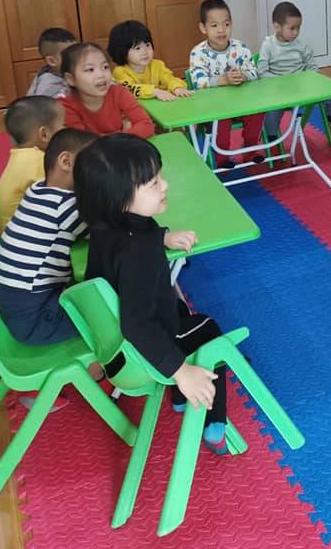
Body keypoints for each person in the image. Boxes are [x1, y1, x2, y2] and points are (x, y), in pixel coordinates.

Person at [77, 134, 228, 453]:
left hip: (112, 342)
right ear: (119, 199)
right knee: (211, 332)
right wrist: (180, 371)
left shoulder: (105, 225)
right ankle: (214, 424)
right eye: (154, 183)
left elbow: (132, 235)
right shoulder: (139, 253)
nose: (165, 185)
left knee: (182, 311)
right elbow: (138, 325)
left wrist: (163, 236)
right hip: (140, 350)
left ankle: (179, 400)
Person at [0, 128, 97, 345]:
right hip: (35, 321)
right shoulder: (65, 207)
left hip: (16, 305)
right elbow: (107, 230)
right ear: (66, 161)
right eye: (95, 167)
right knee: (109, 312)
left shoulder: (38, 189)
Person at [189, 0, 264, 168]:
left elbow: (254, 72)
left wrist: (244, 75)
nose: (221, 30)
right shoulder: (198, 53)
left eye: (226, 24)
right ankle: (222, 158)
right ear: (203, 28)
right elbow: (198, 82)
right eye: (214, 25)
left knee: (258, 112)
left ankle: (250, 150)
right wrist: (222, 80)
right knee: (221, 123)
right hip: (215, 108)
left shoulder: (240, 48)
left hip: (242, 104)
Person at [257, 1, 331, 144]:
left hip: (301, 89)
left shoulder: (301, 45)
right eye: (292, 28)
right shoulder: (268, 45)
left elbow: (312, 68)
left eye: (298, 28)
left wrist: (306, 80)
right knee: (271, 112)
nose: (296, 32)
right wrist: (281, 82)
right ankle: (272, 140)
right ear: (277, 27)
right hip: (278, 92)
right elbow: (262, 72)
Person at [0, 96, 65, 230]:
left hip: (14, 230)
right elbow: (61, 196)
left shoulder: (22, 156)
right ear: (44, 134)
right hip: (27, 236)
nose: (66, 129)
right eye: (63, 125)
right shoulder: (38, 162)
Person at [59, 42, 153, 138]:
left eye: (105, 67)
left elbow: (146, 125)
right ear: (71, 79)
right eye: (90, 69)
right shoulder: (65, 107)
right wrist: (122, 137)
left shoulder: (118, 92)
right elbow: (82, 141)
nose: (101, 75)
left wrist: (122, 137)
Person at [108, 19, 192, 102]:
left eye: (147, 45)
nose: (145, 51)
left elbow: (169, 79)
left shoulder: (157, 65)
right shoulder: (120, 72)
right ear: (122, 51)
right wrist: (155, 92)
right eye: (138, 48)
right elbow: (130, 89)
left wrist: (177, 87)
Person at [26, 27, 77, 98]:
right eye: (70, 54)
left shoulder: (61, 72)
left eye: (77, 51)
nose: (77, 57)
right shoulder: (49, 90)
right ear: (52, 61)